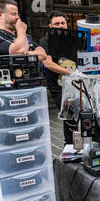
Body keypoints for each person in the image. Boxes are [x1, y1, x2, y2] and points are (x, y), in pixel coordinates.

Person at [0, 0, 70, 77]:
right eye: (13, 14)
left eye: (17, 14)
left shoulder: (25, 36)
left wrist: (26, 53)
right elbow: (21, 49)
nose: (18, 17)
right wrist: (21, 30)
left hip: (32, 82)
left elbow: (42, 54)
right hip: (10, 86)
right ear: (0, 15)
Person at [39, 11, 77, 145]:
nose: (61, 26)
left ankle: (75, 144)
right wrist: (69, 72)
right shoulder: (45, 41)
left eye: (63, 23)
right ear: (50, 26)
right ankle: (69, 144)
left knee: (77, 114)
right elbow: (47, 63)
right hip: (59, 86)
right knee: (69, 115)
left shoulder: (72, 39)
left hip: (76, 85)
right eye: (57, 24)